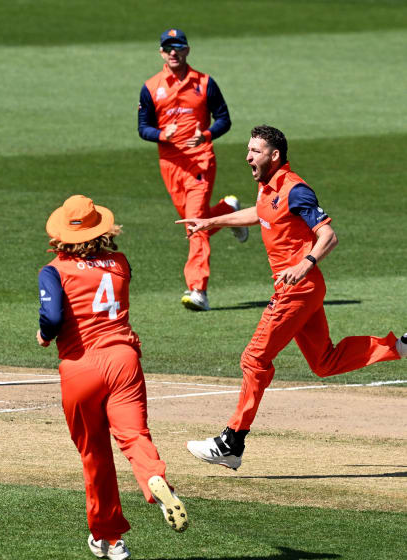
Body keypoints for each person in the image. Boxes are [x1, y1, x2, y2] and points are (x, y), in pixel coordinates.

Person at [177, 125, 407, 470]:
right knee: (324, 362)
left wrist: (305, 263)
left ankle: (231, 442)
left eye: (255, 151)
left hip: (297, 288)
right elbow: (261, 213)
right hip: (304, 290)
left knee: (254, 359)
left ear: (274, 155)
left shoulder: (295, 190)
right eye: (248, 149)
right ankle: (399, 347)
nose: (247, 156)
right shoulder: (267, 186)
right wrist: (214, 222)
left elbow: (328, 234)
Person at [36, 195, 188, 560]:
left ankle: (110, 538)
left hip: (81, 366)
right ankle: (154, 479)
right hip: (124, 361)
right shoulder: (121, 263)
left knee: (95, 454)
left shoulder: (53, 270)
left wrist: (44, 333)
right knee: (135, 436)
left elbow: (53, 318)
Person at [138, 28, 249, 311]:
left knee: (193, 226)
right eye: (167, 47)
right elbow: (143, 128)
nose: (173, 51)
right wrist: (164, 134)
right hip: (171, 165)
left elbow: (224, 119)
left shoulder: (205, 83)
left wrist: (206, 135)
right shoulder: (151, 86)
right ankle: (227, 212)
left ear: (187, 50)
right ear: (161, 52)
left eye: (178, 46)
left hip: (200, 161)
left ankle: (198, 289)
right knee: (194, 225)